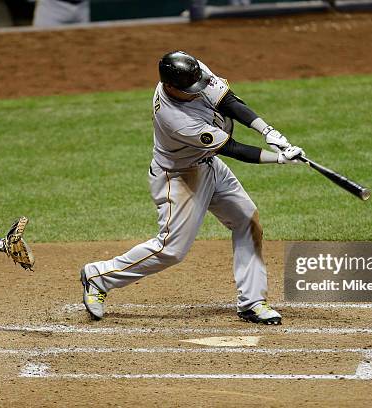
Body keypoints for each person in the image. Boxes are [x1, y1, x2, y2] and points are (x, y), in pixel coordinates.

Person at [80, 50, 305, 325]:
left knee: (247, 219)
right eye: (189, 90)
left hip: (208, 164)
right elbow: (232, 148)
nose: (196, 92)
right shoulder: (176, 120)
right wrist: (279, 158)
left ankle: (252, 303)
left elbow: (228, 101)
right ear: (170, 87)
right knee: (171, 250)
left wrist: (268, 131)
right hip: (180, 177)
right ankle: (98, 276)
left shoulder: (191, 70)